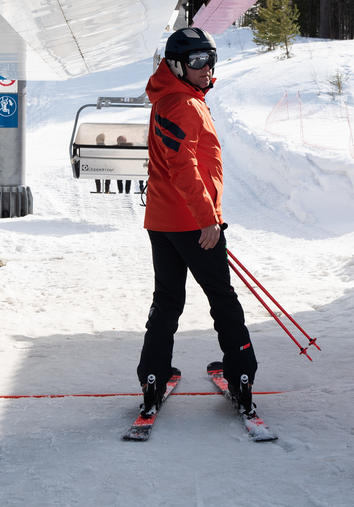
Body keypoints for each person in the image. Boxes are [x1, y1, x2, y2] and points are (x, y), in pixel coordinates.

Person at [136, 27, 258, 418]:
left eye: (210, 59)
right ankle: (241, 377)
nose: (207, 68)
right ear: (176, 65)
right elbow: (183, 167)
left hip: (163, 222)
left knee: (168, 300)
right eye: (197, 61)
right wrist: (208, 220)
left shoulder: (174, 99)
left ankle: (153, 377)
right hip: (192, 222)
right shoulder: (183, 105)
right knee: (222, 299)